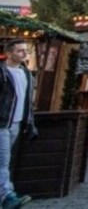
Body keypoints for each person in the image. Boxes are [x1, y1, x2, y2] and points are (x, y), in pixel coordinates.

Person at [1, 39, 37, 209]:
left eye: (25, 50)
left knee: (5, 161)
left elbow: (28, 101)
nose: (24, 54)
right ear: (9, 53)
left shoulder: (27, 74)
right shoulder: (2, 72)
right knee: (3, 161)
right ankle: (7, 196)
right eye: (20, 51)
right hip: (2, 123)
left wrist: (30, 123)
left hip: (17, 123)